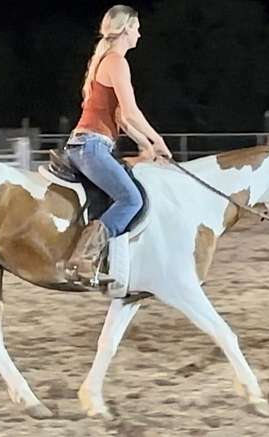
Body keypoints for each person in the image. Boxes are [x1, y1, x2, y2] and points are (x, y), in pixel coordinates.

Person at [64, 4, 172, 286]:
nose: (140, 33)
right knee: (132, 199)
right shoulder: (116, 62)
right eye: (136, 27)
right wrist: (157, 140)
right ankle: (85, 257)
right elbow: (132, 111)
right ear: (125, 30)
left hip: (88, 145)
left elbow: (122, 118)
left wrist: (144, 146)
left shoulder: (107, 61)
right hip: (92, 146)